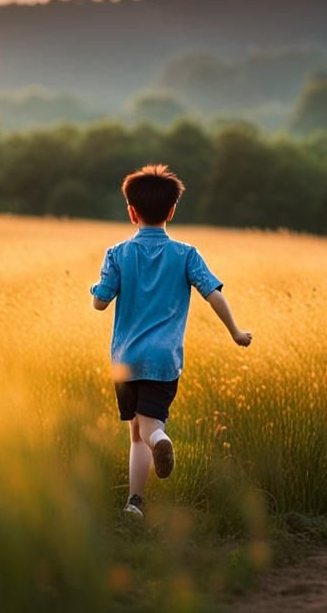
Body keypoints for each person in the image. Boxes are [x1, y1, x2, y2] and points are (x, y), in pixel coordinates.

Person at [90, 164, 252, 517]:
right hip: (163, 359)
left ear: (131, 212)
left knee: (137, 431)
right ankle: (159, 446)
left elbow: (100, 302)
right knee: (150, 427)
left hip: (125, 358)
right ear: (172, 211)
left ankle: (135, 501)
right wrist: (236, 331)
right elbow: (214, 294)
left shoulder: (117, 253)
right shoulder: (186, 254)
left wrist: (98, 288)